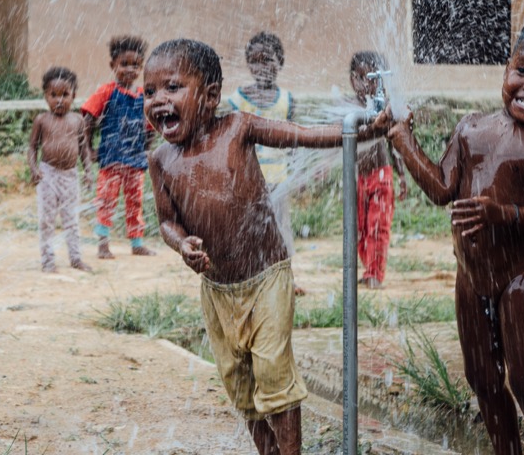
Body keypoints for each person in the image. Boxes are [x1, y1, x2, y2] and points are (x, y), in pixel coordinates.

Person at [143, 38, 388, 455]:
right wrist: (182, 244)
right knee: (238, 381)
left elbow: (302, 135)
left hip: (267, 276)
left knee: (273, 370)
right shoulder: (162, 160)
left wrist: (360, 129)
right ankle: (268, 451)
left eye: (171, 87)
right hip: (218, 290)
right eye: (150, 93)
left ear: (210, 96)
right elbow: (167, 221)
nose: (158, 100)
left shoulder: (238, 127)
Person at [386, 12, 524, 455]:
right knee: (481, 378)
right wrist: (403, 140)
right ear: (507, 65)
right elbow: (442, 189)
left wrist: (503, 213)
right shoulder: (470, 128)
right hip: (471, 277)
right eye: (522, 70)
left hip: (521, 277)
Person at [225, 31, 305, 295]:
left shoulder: (286, 100)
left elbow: (294, 140)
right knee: (247, 232)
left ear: (279, 63)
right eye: (256, 61)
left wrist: (298, 174)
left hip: (278, 181)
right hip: (247, 181)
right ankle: (252, 280)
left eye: (268, 60)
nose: (263, 67)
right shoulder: (237, 100)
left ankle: (286, 281)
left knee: (280, 231)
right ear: (249, 64)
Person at [82, 35, 156, 259]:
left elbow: (150, 127)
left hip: (135, 160)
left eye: (135, 65)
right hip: (111, 158)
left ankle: (137, 242)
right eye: (124, 64)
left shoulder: (144, 96)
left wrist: (145, 149)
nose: (130, 70)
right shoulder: (106, 92)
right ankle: (103, 245)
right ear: (112, 65)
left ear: (141, 67)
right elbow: (88, 121)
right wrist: (89, 149)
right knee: (106, 201)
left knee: (136, 202)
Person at [348, 51, 408, 289]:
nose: (367, 84)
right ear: (353, 79)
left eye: (373, 78)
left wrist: (401, 174)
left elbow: (395, 143)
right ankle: (368, 268)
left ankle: (376, 273)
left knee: (377, 226)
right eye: (361, 78)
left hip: (381, 175)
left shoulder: (383, 108)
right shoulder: (350, 108)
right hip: (357, 178)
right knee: (360, 227)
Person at [28, 66, 94, 274]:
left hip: (70, 176)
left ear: (73, 95)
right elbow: (32, 147)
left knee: (71, 219)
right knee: (46, 220)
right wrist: (33, 169)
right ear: (45, 96)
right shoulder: (42, 120)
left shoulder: (77, 120)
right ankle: (48, 260)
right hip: (48, 175)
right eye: (53, 95)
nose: (59, 100)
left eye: (65, 95)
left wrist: (88, 172)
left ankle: (75, 258)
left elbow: (84, 149)